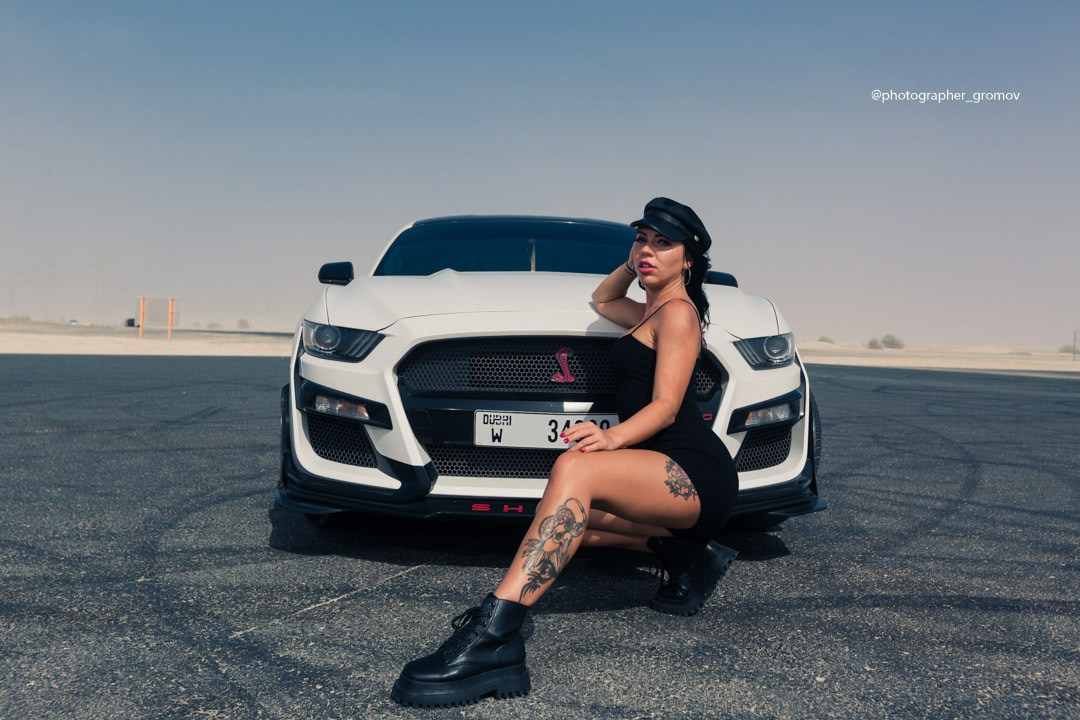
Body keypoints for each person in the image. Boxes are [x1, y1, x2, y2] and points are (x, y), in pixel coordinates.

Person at [391, 198, 740, 708]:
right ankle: (692, 555)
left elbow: (666, 408)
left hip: (693, 471)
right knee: (567, 521)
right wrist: (635, 263)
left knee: (574, 468)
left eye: (663, 244)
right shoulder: (651, 309)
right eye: (641, 238)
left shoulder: (680, 315)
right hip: (661, 468)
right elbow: (602, 300)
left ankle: (496, 631)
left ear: (688, 259)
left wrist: (611, 438)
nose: (647, 249)